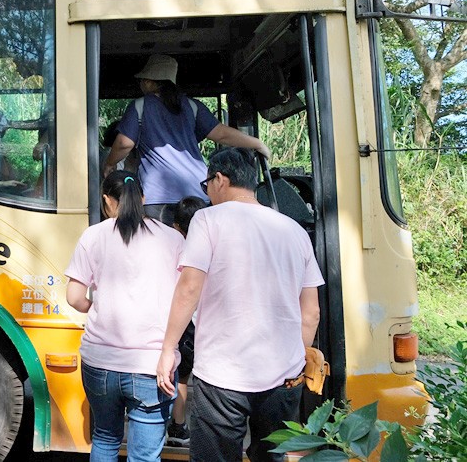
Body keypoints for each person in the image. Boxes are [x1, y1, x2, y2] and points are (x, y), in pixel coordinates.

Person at [155, 148, 324, 462]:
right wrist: (293, 361)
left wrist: (168, 349)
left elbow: (189, 287)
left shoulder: (207, 219)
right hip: (283, 379)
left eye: (207, 184)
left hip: (222, 377)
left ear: (219, 179)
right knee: (271, 457)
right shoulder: (294, 231)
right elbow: (311, 312)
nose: (207, 192)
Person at [65, 170, 185, 462]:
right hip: (152, 365)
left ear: (107, 201)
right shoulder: (173, 238)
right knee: (144, 456)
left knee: (105, 440)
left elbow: (74, 297)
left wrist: (94, 307)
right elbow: (187, 297)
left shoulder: (93, 236)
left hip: (100, 363)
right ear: (143, 198)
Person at [101, 54, 271, 226]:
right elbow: (222, 134)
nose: (141, 84)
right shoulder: (192, 106)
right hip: (198, 193)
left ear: (150, 82)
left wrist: (109, 164)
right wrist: (257, 143)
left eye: (142, 80)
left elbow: (124, 143)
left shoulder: (140, 106)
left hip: (158, 198)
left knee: (165, 250)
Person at [166, 195, 209, 448]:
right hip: (206, 323)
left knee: (180, 377)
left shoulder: (173, 248)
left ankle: (177, 426)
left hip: (182, 323)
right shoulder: (211, 245)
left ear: (176, 227)